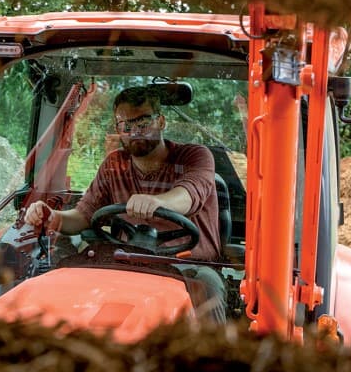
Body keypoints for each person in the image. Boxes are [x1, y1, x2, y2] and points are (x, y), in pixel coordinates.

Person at [25, 85, 227, 323]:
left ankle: (215, 357)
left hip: (188, 266)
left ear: (160, 122)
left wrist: (157, 202)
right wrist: (53, 217)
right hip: (126, 264)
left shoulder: (194, 157)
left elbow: (187, 197)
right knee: (65, 283)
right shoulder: (114, 165)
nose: (134, 132)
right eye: (126, 126)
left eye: (142, 123)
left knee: (209, 287)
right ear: (117, 128)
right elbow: (83, 216)